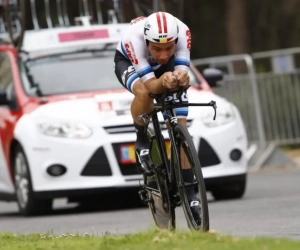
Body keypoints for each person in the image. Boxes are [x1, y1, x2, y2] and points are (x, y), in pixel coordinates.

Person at [114, 11, 200, 217]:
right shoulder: (132, 39)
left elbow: (182, 71)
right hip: (129, 63)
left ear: (176, 40)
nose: (162, 54)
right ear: (147, 41)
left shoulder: (184, 31)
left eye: (169, 48)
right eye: (157, 48)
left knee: (179, 125)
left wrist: (181, 77)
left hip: (165, 69)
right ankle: (141, 138)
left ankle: (191, 192)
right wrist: (163, 81)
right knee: (144, 93)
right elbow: (152, 86)